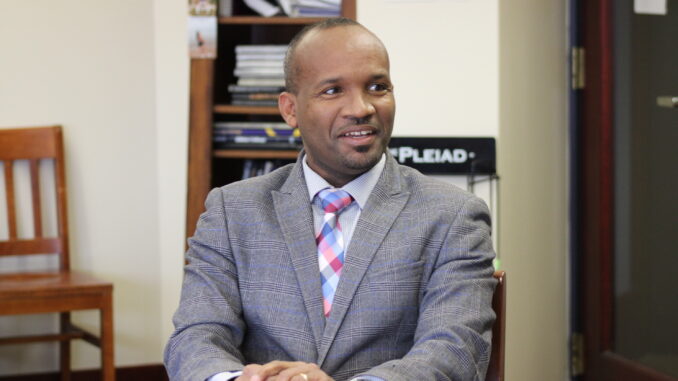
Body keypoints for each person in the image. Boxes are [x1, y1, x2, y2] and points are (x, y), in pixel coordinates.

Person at [165, 18, 496, 381]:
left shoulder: (453, 216)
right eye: (332, 90)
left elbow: (454, 349)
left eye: (377, 86)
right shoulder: (232, 211)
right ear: (290, 109)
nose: (361, 107)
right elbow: (195, 337)